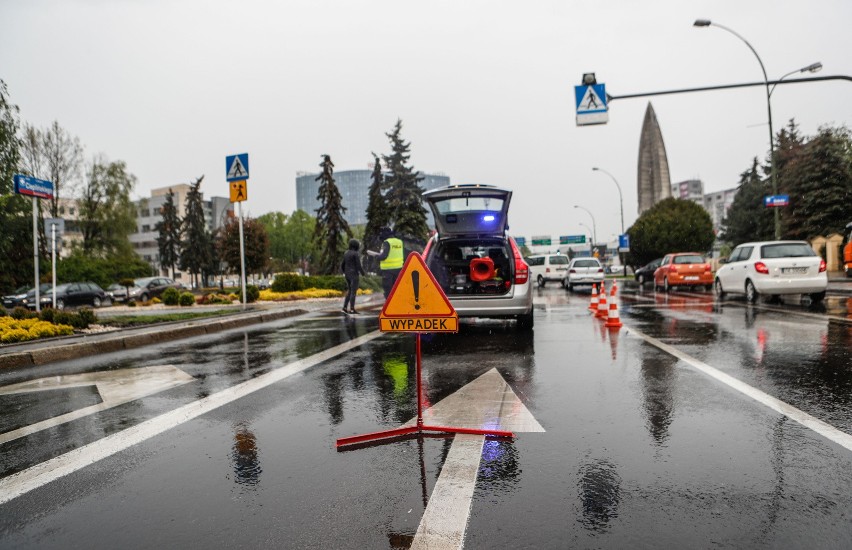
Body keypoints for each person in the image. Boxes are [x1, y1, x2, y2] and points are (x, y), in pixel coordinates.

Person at [377, 227, 404, 297]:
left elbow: (384, 256)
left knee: (388, 290)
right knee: (397, 288)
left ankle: (390, 306)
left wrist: (377, 257)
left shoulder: (387, 242)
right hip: (398, 269)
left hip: (388, 270)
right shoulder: (399, 242)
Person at [341, 238, 366, 314]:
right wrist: (363, 273)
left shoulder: (346, 253)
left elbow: (342, 264)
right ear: (356, 246)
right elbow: (358, 265)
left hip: (347, 274)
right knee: (353, 292)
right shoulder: (355, 254)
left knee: (349, 290)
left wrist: (344, 272)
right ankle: (352, 309)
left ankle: (345, 307)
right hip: (354, 274)